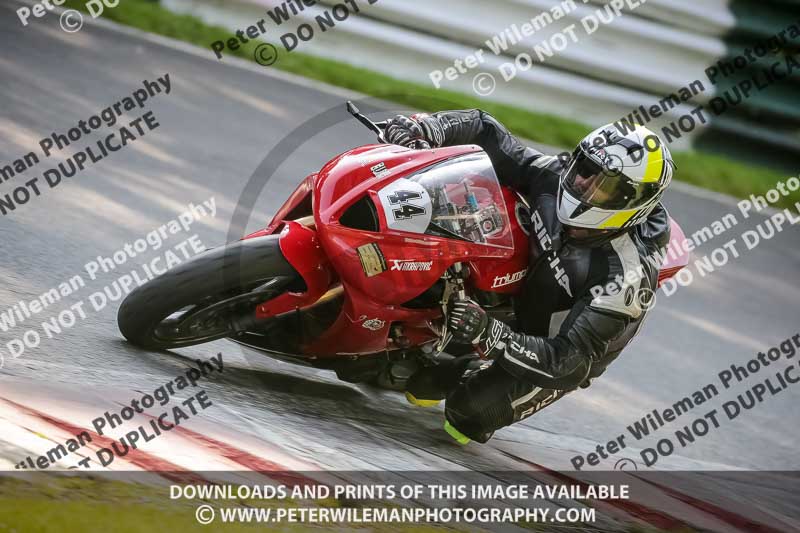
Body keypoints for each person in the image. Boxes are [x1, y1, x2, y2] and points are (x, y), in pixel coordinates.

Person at [384, 111, 675, 444]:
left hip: (558, 353)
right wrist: (426, 128)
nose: (584, 185)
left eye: (605, 186)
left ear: (632, 201)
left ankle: (468, 368)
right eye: (585, 168)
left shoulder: (625, 276)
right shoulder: (555, 176)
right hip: (524, 299)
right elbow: (487, 133)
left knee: (466, 414)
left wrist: (489, 334)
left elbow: (569, 364)